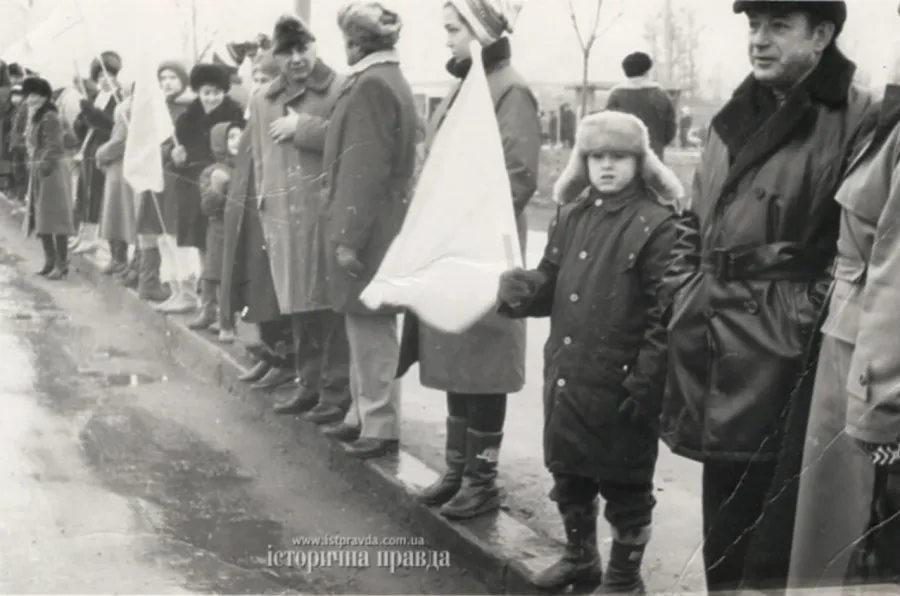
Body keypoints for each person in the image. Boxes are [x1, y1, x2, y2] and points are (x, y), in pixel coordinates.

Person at [660, 1, 875, 591]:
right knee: (724, 528)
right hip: (714, 337)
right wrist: (683, 289)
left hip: (785, 354)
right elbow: (692, 216)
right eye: (754, 25)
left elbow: (860, 245)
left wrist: (805, 318)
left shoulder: (858, 116)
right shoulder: (733, 112)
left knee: (777, 540)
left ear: (822, 35)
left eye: (779, 26)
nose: (759, 39)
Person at [499, 111, 685, 595]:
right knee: (570, 475)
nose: (607, 166)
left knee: (625, 488)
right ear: (583, 161)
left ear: (640, 161)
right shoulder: (571, 214)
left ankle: (624, 580)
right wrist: (525, 289)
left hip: (622, 383)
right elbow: (550, 282)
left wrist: (645, 382)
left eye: (618, 156)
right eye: (597, 156)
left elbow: (666, 316)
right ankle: (581, 558)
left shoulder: (657, 225)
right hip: (568, 375)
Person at [395, 0, 540, 520]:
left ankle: (482, 479)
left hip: (483, 255)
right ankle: (458, 472)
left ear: (481, 32)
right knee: (456, 360)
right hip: (451, 252)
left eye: (454, 29)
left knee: (485, 366)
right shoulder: (466, 86)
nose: (447, 39)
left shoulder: (510, 89)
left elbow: (518, 176)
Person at [787, 78, 900, 587]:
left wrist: (880, 418)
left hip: (872, 373)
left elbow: (894, 285)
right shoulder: (889, 117)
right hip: (854, 353)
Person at [322, 1, 418, 459]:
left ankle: (379, 423)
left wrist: (347, 237)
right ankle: (364, 414)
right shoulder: (384, 80)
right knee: (363, 324)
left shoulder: (371, 86)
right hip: (381, 219)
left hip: (370, 225)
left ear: (357, 43)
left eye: (347, 40)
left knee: (372, 325)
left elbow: (363, 169)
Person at [248, 14, 350, 418]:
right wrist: (264, 204)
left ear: (314, 46)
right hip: (283, 218)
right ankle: (307, 384)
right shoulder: (262, 100)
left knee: (327, 307)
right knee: (297, 305)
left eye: (302, 48)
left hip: (323, 214)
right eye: (286, 52)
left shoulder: (340, 89)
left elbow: (354, 143)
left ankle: (336, 391)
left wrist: (303, 127)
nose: (296, 59)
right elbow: (260, 159)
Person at [171, 63, 245, 328]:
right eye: (205, 92)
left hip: (225, 190)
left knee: (225, 252)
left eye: (216, 92)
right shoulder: (186, 119)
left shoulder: (235, 116)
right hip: (195, 190)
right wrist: (176, 158)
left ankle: (229, 312)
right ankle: (208, 307)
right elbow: (176, 161)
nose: (211, 98)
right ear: (198, 93)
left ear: (224, 92)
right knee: (204, 249)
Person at [154, 60, 197, 313]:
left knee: (178, 235)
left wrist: (169, 152)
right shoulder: (163, 108)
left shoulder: (188, 110)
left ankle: (189, 291)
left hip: (181, 178)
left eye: (172, 77)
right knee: (164, 235)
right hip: (162, 177)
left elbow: (186, 144)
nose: (167, 82)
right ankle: (175, 289)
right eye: (163, 78)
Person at [72, 51, 124, 262]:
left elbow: (111, 125)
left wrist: (92, 113)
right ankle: (81, 234)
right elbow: (83, 127)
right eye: (100, 76)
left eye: (109, 75)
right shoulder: (96, 96)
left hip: (103, 151)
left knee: (95, 193)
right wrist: (82, 118)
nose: (105, 80)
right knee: (83, 191)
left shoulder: (118, 97)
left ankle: (92, 236)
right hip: (87, 149)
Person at [22, 76, 75, 280]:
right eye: (29, 96)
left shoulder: (50, 116)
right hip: (41, 168)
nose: (30, 100)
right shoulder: (38, 115)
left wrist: (42, 167)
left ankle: (61, 264)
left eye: (35, 95)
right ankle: (50, 261)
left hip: (52, 171)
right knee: (42, 217)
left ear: (44, 96)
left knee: (56, 218)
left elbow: (55, 146)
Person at [195, 121, 243, 342]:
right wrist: (217, 188)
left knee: (232, 276)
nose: (237, 141)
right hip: (219, 228)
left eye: (239, 136)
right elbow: (207, 206)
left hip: (243, 228)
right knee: (214, 271)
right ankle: (210, 312)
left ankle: (228, 321)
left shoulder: (247, 166)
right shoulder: (213, 171)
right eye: (230, 137)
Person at [96, 87, 137, 285]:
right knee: (121, 215)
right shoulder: (131, 106)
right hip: (128, 166)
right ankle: (119, 258)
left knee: (115, 214)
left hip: (119, 168)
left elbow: (118, 142)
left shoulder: (126, 108)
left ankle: (118, 259)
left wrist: (100, 154)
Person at [606, 51, 676, 160]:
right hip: (654, 155)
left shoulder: (616, 95)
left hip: (623, 156)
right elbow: (670, 130)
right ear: (647, 70)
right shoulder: (660, 95)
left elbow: (607, 128)